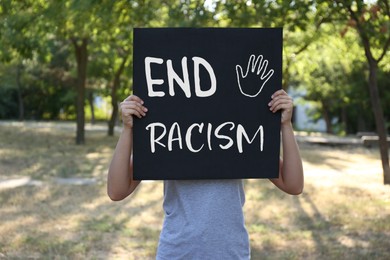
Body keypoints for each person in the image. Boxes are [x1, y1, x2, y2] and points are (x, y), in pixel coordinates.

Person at [107, 89, 304, 259]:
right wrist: (128, 130)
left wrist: (285, 125)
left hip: (230, 253)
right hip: (177, 253)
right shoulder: (169, 132)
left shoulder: (237, 132)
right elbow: (117, 190)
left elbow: (293, 184)